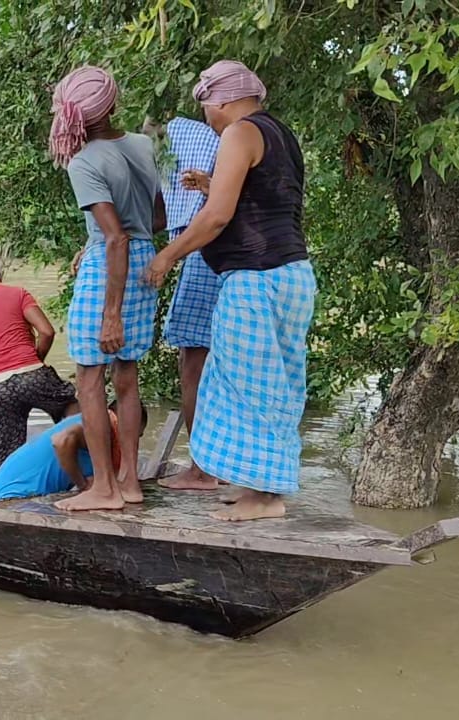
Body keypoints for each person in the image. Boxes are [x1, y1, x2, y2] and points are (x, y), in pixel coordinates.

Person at [144, 61, 315, 522]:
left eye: (206, 109)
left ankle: (265, 497)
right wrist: (209, 182)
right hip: (290, 274)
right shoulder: (280, 133)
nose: (207, 120)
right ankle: (257, 486)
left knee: (245, 386)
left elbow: (218, 216)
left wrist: (168, 255)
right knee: (270, 383)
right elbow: (264, 196)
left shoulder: (239, 132)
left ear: (220, 99)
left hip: (256, 278)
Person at [50, 66, 166, 511]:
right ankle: (130, 482)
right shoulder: (142, 145)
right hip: (143, 259)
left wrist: (110, 312)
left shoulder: (83, 161)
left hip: (111, 265)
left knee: (89, 379)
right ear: (112, 106)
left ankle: (103, 489)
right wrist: (99, 241)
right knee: (128, 377)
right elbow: (155, 219)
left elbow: (113, 237)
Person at [149, 116, 223, 492]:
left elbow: (174, 214)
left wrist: (165, 256)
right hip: (235, 266)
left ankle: (202, 470)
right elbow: (162, 215)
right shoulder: (223, 145)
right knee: (218, 369)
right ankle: (223, 466)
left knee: (193, 366)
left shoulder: (179, 145)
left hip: (205, 260)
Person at [0, 259, 78, 465]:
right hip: (34, 374)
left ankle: (6, 492)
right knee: (71, 406)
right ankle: (82, 453)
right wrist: (35, 362)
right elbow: (46, 332)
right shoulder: (18, 294)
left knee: (4, 462)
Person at [0, 404, 148, 504]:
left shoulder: (100, 436)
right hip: (11, 499)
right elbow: (61, 441)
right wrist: (83, 485)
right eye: (136, 436)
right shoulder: (100, 426)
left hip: (21, 495)